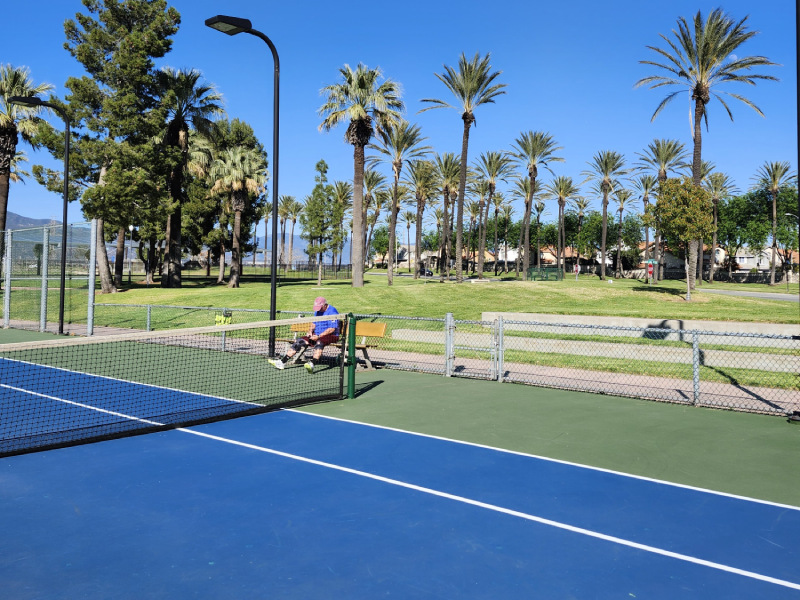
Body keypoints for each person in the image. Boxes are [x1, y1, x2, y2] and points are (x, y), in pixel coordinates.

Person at [269, 297, 339, 373]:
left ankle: (312, 364)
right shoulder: (318, 311)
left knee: (319, 342)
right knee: (300, 341)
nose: (318, 309)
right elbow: (313, 323)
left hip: (332, 336)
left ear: (324, 305)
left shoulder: (332, 312)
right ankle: (282, 362)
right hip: (316, 335)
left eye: (319, 307)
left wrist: (318, 336)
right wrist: (310, 331)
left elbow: (332, 329)